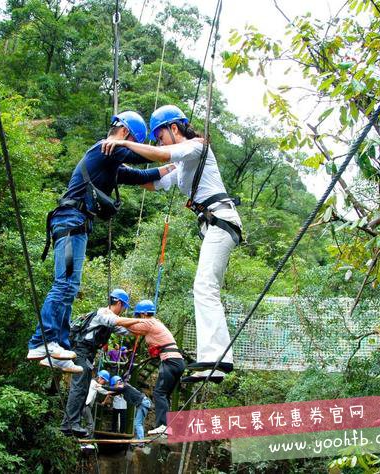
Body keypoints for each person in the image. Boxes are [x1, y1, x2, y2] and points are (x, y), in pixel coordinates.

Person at [101, 105, 242, 383]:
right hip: (215, 227)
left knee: (204, 287)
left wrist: (123, 142)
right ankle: (214, 360)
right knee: (204, 288)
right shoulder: (183, 165)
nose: (159, 142)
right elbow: (154, 182)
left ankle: (217, 359)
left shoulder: (196, 147)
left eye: (160, 136)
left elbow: (163, 154)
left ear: (174, 129)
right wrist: (118, 170)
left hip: (221, 222)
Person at [27, 111, 175, 373]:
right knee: (65, 284)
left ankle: (58, 347)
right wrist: (174, 149)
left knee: (70, 287)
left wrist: (173, 166)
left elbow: (141, 175)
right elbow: (138, 156)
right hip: (71, 222)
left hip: (76, 224)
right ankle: (43, 341)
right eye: (130, 140)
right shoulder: (106, 150)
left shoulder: (111, 165)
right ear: (126, 134)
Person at [60, 289, 130, 437]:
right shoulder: (103, 313)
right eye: (124, 307)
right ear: (119, 303)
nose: (123, 311)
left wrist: (145, 325)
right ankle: (73, 423)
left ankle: (68, 424)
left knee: (83, 390)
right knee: (78, 388)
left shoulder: (112, 319)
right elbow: (113, 322)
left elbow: (125, 330)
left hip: (87, 355)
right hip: (81, 352)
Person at [114, 300, 185, 436]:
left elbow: (130, 327)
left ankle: (163, 425)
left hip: (170, 361)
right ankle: (166, 427)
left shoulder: (149, 322)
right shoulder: (156, 323)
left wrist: (113, 319)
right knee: (165, 395)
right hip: (177, 361)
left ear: (145, 313)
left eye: (139, 315)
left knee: (159, 393)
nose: (139, 318)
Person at [107, 375, 151, 440]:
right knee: (138, 423)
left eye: (114, 385)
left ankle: (140, 441)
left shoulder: (125, 386)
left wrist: (101, 386)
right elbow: (114, 392)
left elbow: (114, 389)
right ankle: (140, 440)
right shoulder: (124, 388)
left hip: (143, 403)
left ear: (117, 383)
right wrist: (105, 391)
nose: (114, 387)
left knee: (138, 423)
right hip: (142, 403)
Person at [82, 370, 112, 438]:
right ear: (100, 378)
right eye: (104, 381)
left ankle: (84, 440)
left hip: (86, 406)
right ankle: (85, 441)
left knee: (87, 424)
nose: (104, 383)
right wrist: (116, 390)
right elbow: (104, 391)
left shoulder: (93, 383)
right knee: (91, 425)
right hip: (85, 406)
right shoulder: (94, 383)